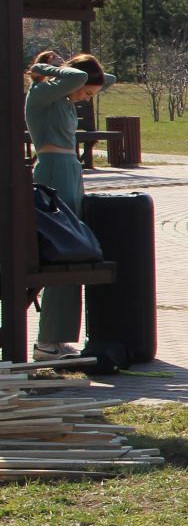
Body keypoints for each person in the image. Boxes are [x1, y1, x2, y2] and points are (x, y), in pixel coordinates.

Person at [24, 51, 112, 359]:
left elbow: (102, 80)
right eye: (86, 94)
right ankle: (47, 341)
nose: (85, 99)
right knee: (63, 249)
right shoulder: (42, 94)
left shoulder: (63, 98)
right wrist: (48, 67)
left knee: (77, 251)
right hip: (52, 169)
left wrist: (82, 73)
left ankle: (58, 337)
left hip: (71, 170)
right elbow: (77, 78)